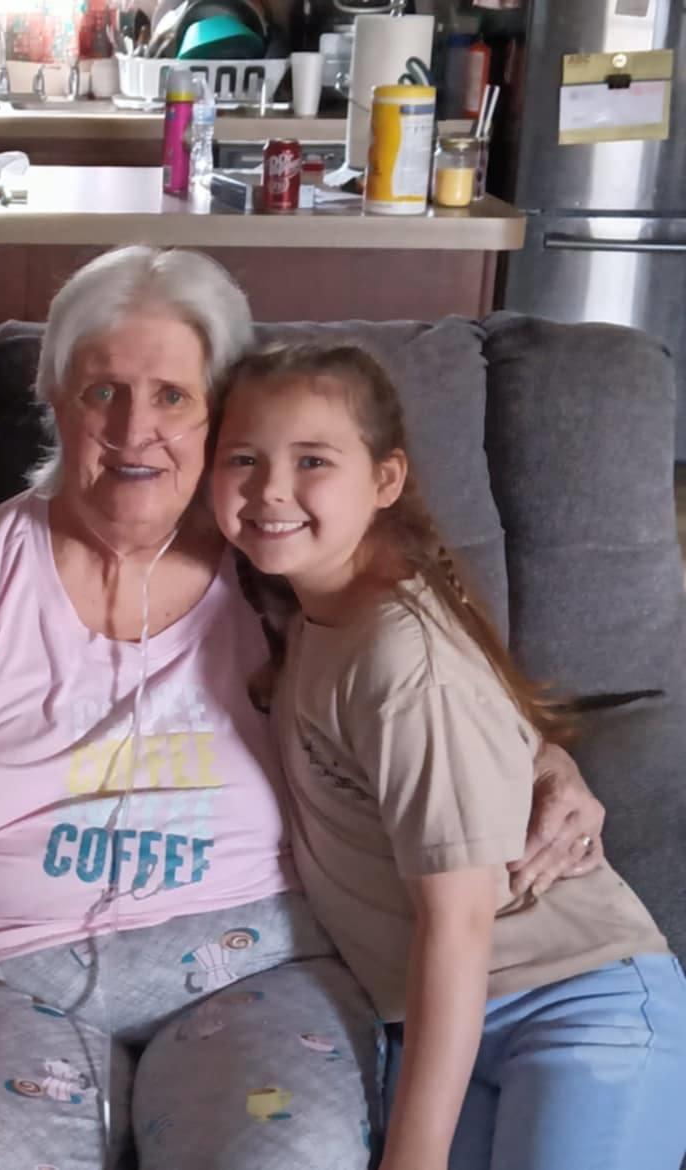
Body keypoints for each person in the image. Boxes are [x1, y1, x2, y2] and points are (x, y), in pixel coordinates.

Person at [0, 246, 611, 1170]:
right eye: (101, 392)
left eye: (172, 396)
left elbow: (426, 677)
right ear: (54, 402)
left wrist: (541, 758)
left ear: (220, 412)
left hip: (252, 961)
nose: (133, 429)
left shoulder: (275, 558)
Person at [208, 342, 686, 1170]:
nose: (270, 489)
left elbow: (458, 920)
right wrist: (540, 753)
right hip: (436, 1019)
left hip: (574, 1005)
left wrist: (412, 1159)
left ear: (385, 480)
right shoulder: (304, 606)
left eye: (312, 459)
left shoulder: (396, 656)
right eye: (243, 458)